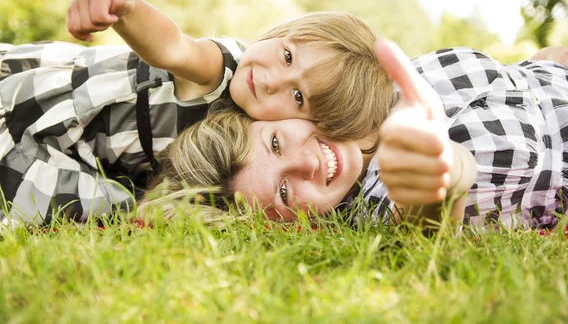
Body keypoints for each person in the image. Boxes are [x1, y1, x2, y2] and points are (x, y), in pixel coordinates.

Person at [0, 0, 393, 225]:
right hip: (25, 100)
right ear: (283, 33)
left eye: (298, 97)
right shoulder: (226, 70)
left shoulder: (261, 148)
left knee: (78, 204)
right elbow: (174, 46)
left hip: (64, 151)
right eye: (285, 55)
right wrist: (127, 12)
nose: (270, 80)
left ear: (314, 123)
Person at [139, 41, 568, 231]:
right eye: (285, 191)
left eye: (275, 144)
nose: (305, 164)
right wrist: (444, 178)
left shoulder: (365, 87)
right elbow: (425, 228)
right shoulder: (379, 204)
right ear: (292, 228)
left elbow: (527, 71)